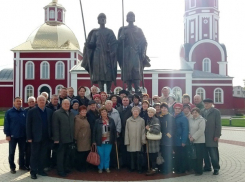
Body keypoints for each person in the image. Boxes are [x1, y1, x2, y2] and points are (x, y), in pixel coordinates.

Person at [81, 13, 117, 93]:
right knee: (99, 73)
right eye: (100, 18)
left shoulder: (109, 32)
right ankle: (101, 91)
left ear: (106, 20)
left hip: (107, 55)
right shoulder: (95, 32)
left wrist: (112, 51)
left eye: (104, 18)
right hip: (98, 55)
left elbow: (114, 43)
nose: (102, 19)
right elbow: (92, 44)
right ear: (98, 20)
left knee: (108, 73)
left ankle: (108, 91)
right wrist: (88, 45)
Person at [117, 11, 150, 94]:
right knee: (127, 70)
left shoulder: (138, 30)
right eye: (129, 16)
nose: (131, 18)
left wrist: (143, 53)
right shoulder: (123, 29)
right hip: (126, 53)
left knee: (136, 70)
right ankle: (128, 88)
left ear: (134, 18)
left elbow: (144, 42)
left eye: (132, 16)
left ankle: (137, 88)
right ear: (126, 18)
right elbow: (118, 43)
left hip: (136, 52)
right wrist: (121, 38)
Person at [26, 95, 53, 179]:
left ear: (46, 101)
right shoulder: (32, 111)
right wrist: (29, 137)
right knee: (34, 155)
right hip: (35, 137)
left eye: (43, 100)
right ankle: (33, 172)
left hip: (46, 137)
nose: (42, 101)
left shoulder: (49, 111)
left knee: (43, 155)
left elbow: (51, 124)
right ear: (37, 101)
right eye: (40, 100)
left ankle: (41, 170)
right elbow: (28, 125)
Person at [4, 97, 27, 174]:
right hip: (13, 136)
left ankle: (22, 165)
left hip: (22, 136)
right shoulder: (9, 112)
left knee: (22, 152)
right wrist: (7, 134)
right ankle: (12, 167)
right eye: (17, 101)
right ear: (14, 102)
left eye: (20, 101)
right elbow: (6, 124)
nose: (19, 103)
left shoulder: (24, 111)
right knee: (11, 152)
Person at [52, 99, 75, 177]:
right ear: (62, 104)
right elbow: (55, 127)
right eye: (65, 104)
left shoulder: (71, 113)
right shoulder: (57, 113)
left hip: (69, 138)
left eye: (68, 104)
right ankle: (60, 171)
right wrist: (56, 139)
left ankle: (65, 168)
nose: (66, 105)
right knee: (60, 156)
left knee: (67, 155)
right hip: (61, 139)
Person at [93, 106, 117, 173]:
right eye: (102, 112)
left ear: (107, 112)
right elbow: (94, 131)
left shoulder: (111, 120)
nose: (104, 113)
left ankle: (106, 167)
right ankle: (100, 167)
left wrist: (115, 139)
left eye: (105, 111)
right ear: (100, 113)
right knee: (100, 155)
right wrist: (94, 141)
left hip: (109, 140)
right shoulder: (97, 121)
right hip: (100, 140)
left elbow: (114, 131)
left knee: (107, 155)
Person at [201, 98, 221, 175]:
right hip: (203, 136)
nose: (206, 105)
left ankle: (216, 168)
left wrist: (217, 135)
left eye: (208, 103)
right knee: (205, 153)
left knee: (213, 153)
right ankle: (207, 167)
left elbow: (218, 125)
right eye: (205, 103)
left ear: (211, 104)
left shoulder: (216, 112)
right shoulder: (202, 111)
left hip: (212, 136)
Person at [125, 106, 146, 173]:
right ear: (132, 112)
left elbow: (143, 131)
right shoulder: (128, 120)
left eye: (137, 111)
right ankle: (132, 167)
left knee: (138, 155)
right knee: (132, 155)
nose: (135, 112)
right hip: (131, 140)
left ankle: (139, 168)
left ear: (139, 112)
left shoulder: (142, 120)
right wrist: (127, 141)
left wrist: (143, 140)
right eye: (134, 111)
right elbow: (126, 131)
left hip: (138, 140)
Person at [188, 107, 206, 176]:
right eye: (193, 113)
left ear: (199, 113)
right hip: (192, 140)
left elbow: (201, 130)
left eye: (196, 112)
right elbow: (189, 128)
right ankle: (194, 169)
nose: (194, 114)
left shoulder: (202, 120)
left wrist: (193, 137)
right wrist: (189, 135)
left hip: (199, 141)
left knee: (199, 156)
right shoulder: (190, 119)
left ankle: (199, 171)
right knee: (193, 156)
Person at [159, 102, 175, 175]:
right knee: (162, 154)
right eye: (162, 108)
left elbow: (173, 128)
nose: (163, 109)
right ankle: (163, 168)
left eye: (165, 108)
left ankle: (168, 169)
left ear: (167, 109)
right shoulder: (160, 117)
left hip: (168, 139)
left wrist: (169, 135)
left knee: (168, 154)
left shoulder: (171, 117)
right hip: (161, 139)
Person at [105, 100, 121, 168]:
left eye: (110, 104)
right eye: (107, 104)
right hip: (105, 134)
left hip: (114, 133)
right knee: (106, 150)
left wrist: (118, 131)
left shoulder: (116, 112)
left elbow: (119, 122)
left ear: (112, 105)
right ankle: (106, 164)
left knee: (114, 150)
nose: (109, 105)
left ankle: (113, 164)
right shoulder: (102, 112)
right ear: (105, 105)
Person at [117, 96, 132, 168]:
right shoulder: (118, 109)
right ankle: (122, 163)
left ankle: (129, 163)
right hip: (121, 131)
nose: (125, 101)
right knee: (122, 148)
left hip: (129, 131)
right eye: (124, 100)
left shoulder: (131, 109)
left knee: (128, 148)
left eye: (127, 100)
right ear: (122, 101)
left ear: (129, 101)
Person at [74, 106, 91, 172]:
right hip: (81, 139)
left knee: (85, 154)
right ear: (79, 112)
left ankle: (83, 166)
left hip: (86, 139)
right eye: (82, 111)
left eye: (85, 111)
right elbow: (76, 130)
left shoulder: (85, 118)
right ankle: (79, 167)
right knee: (81, 154)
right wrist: (75, 139)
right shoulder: (78, 119)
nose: (84, 112)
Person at [173, 103, 189, 174]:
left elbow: (185, 130)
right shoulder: (173, 116)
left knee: (182, 156)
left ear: (181, 109)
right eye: (176, 108)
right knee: (176, 155)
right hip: (175, 140)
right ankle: (176, 169)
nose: (177, 110)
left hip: (180, 140)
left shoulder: (183, 118)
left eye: (179, 109)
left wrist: (183, 141)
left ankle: (182, 169)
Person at [145, 107, 161, 176]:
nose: (150, 113)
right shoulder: (149, 119)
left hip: (154, 142)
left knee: (154, 156)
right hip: (150, 141)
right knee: (151, 156)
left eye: (151, 112)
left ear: (154, 113)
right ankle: (152, 168)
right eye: (149, 112)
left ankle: (154, 169)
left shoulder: (156, 120)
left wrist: (149, 129)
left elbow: (157, 131)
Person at [24, 96, 36, 171]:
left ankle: (33, 165)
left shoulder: (37, 110)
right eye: (30, 102)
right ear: (28, 103)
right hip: (27, 134)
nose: (32, 103)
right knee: (27, 151)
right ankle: (26, 164)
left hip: (35, 134)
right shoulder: (25, 111)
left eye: (33, 101)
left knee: (33, 151)